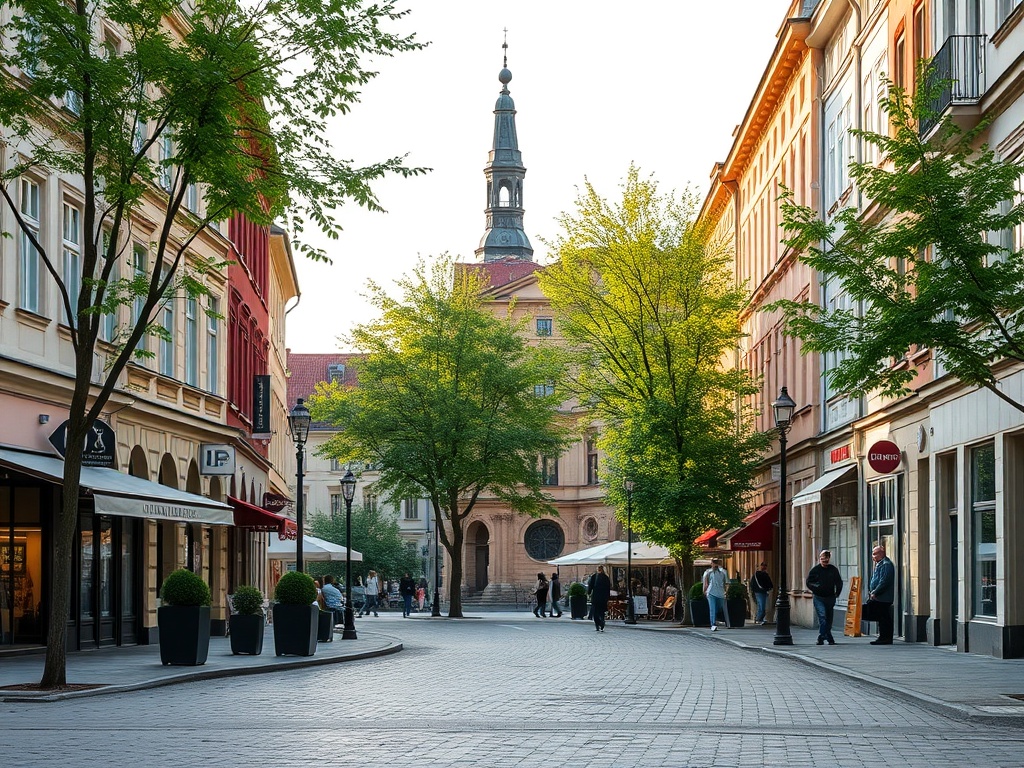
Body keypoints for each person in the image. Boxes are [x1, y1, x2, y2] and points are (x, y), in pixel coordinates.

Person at [806, 550, 843, 645]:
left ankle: (824, 636)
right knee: (823, 617)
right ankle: (823, 636)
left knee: (829, 618)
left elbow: (839, 582)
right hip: (819, 597)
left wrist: (837, 593)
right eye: (823, 560)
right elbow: (808, 582)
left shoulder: (833, 570)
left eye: (826, 560)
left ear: (829, 559)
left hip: (830, 597)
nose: (825, 562)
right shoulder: (815, 570)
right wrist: (816, 588)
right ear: (820, 559)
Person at [868, 544, 896, 645]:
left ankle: (885, 638)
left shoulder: (886, 564)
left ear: (882, 554)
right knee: (881, 618)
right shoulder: (880, 564)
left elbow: (884, 581)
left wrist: (876, 592)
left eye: (875, 554)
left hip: (884, 598)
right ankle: (882, 637)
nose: (873, 556)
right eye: (873, 554)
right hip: (879, 597)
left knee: (884, 618)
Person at [703, 558, 728, 631]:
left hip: (721, 593)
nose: (715, 564)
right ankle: (713, 624)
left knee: (718, 608)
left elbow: (726, 583)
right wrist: (705, 591)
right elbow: (705, 583)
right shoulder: (708, 572)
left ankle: (716, 619)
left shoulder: (723, 572)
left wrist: (726, 592)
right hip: (711, 593)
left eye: (716, 562)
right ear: (711, 563)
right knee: (712, 609)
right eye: (714, 563)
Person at [587, 565, 611, 631]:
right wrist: (607, 597)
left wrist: (588, 593)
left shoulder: (594, 576)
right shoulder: (606, 577)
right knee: (601, 611)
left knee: (595, 612)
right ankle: (602, 621)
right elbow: (608, 588)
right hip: (603, 597)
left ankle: (598, 624)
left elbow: (590, 586)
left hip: (596, 596)